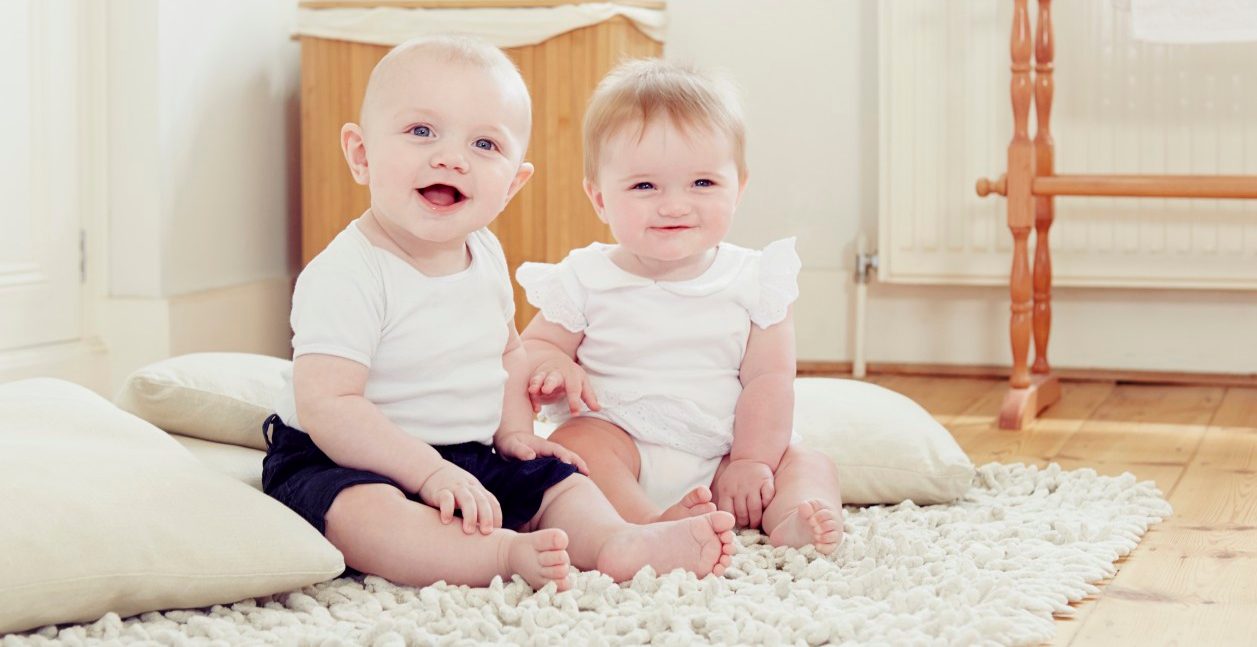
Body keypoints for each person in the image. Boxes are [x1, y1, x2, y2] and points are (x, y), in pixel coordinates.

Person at [262, 37, 736, 593]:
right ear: (361, 155)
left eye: (484, 143)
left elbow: (508, 350)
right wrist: (427, 472)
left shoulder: (484, 254)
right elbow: (330, 405)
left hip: (466, 452)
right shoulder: (348, 272)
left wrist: (515, 431)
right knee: (366, 517)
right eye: (421, 132)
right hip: (343, 459)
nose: (451, 157)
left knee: (563, 482)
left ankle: (616, 542)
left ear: (512, 184)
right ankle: (504, 554)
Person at [517, 59, 843, 554]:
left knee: (808, 462)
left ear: (740, 189)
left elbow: (769, 380)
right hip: (620, 437)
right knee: (575, 449)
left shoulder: (756, 280)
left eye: (703, 184)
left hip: (725, 451)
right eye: (645, 186)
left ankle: (793, 524)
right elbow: (532, 347)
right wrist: (554, 363)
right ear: (599, 198)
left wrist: (753, 460)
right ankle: (649, 525)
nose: (674, 205)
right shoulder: (585, 277)